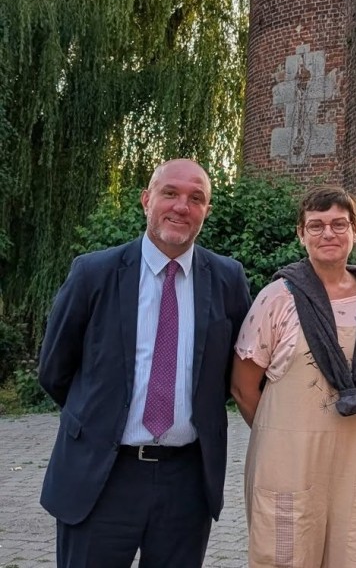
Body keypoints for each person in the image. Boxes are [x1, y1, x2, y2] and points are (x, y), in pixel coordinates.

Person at [38, 159, 252, 567]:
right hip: (102, 477)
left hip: (186, 482)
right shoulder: (94, 273)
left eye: (196, 198)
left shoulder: (227, 279)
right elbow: (54, 369)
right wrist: (98, 416)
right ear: (146, 200)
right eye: (170, 193)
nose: (181, 207)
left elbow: (232, 372)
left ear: (206, 210)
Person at [231, 185, 356, 568]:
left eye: (339, 224)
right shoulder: (277, 298)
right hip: (288, 464)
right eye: (316, 226)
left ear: (355, 230)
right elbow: (242, 386)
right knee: (285, 557)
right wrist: (285, 435)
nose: (328, 234)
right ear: (301, 234)